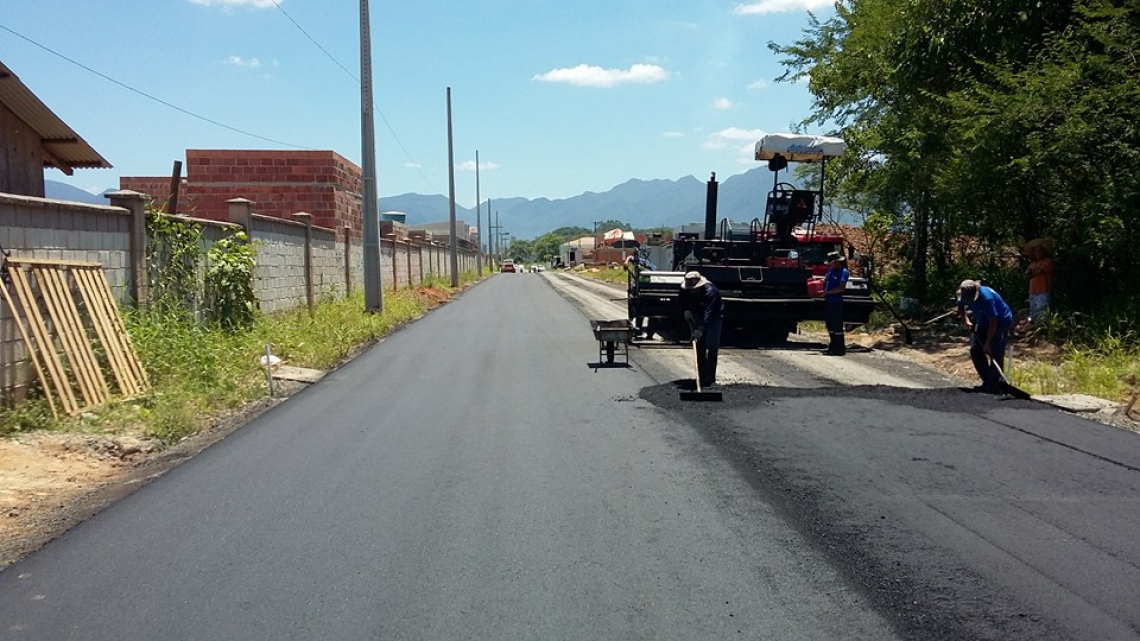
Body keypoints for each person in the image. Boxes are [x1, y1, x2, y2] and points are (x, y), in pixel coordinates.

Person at [957, 279, 1015, 393]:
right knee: (975, 350)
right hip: (982, 321)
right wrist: (966, 321)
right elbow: (960, 307)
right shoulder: (963, 293)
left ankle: (994, 385)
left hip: (1000, 322)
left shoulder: (987, 298)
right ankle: (987, 381)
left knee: (995, 351)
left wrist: (988, 343)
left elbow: (993, 322)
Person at [679, 270, 725, 388]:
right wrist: (686, 310)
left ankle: (710, 377)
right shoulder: (685, 288)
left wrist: (700, 329)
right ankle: (701, 375)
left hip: (714, 316)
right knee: (699, 345)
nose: (692, 291)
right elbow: (682, 299)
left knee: (712, 346)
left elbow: (708, 313)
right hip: (696, 313)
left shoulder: (711, 291)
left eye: (695, 288)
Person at [818, 251, 849, 355]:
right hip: (828, 301)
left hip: (836, 301)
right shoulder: (831, 270)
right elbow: (826, 279)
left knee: (837, 325)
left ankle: (839, 347)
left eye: (831, 263)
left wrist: (827, 292)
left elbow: (841, 288)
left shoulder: (843, 272)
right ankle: (833, 345)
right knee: (830, 324)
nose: (829, 265)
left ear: (837, 262)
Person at [624, 252, 658, 339]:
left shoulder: (648, 265)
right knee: (641, 313)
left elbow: (653, 271)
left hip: (649, 290)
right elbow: (629, 258)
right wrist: (626, 262)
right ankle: (640, 331)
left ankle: (648, 333)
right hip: (642, 290)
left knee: (648, 314)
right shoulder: (637, 262)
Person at [1024, 240, 1053, 325]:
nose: (1038, 253)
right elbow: (1026, 276)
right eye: (1036, 251)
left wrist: (1032, 272)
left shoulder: (1047, 262)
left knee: (1042, 314)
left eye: (1040, 250)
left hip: (1043, 291)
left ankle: (1043, 333)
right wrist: (1032, 272)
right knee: (1034, 314)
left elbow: (1037, 272)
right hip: (1033, 291)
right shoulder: (1032, 263)